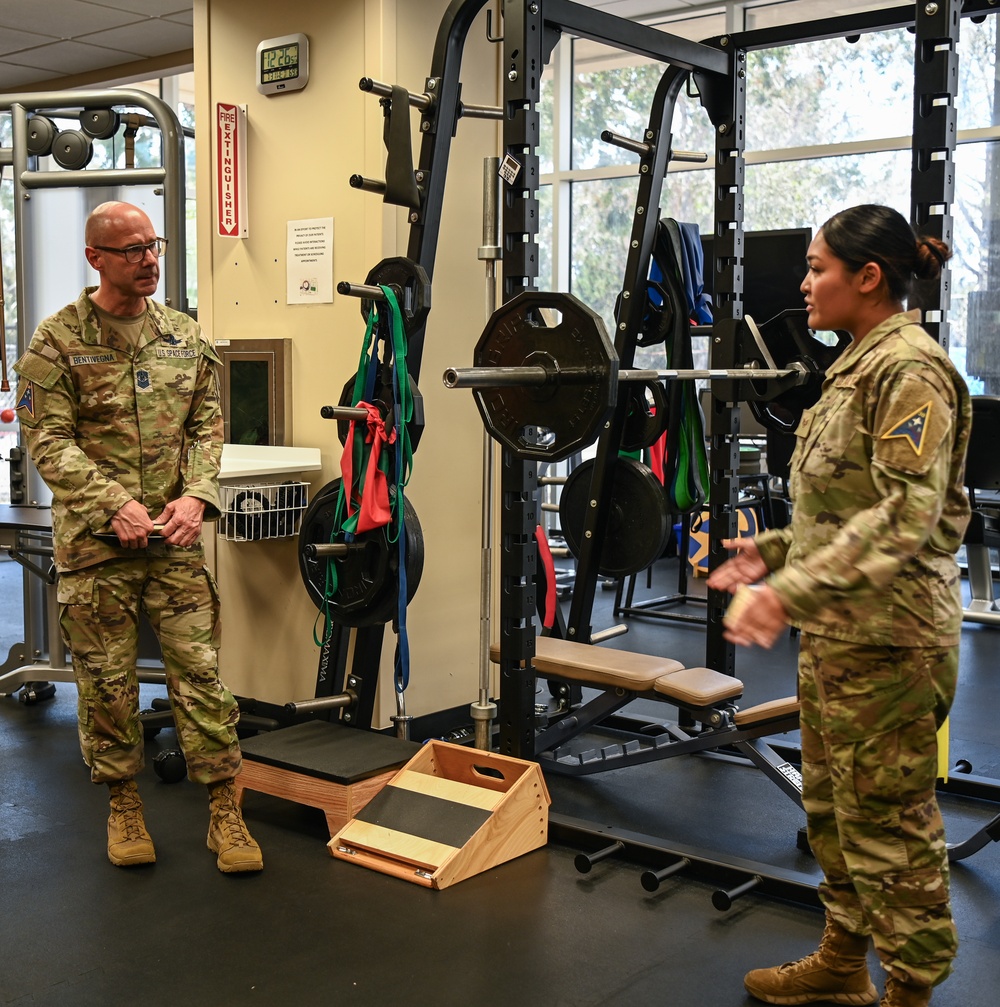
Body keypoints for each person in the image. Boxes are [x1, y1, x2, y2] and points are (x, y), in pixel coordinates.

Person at [707, 205, 970, 1007]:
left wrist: (785, 592)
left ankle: (912, 991)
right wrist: (777, 550)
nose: (805, 282)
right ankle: (843, 962)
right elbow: (843, 505)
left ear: (869, 278)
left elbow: (903, 516)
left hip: (893, 642)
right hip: (841, 633)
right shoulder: (857, 363)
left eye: (819, 267)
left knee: (889, 824)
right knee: (833, 810)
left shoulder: (908, 371)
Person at [13, 201, 262, 873]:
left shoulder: (182, 334)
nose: (150, 259)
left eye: (154, 245)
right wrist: (111, 502)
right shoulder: (57, 341)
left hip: (176, 544)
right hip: (99, 550)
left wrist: (199, 495)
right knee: (107, 683)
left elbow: (208, 425)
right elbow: (46, 438)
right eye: (132, 249)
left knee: (203, 678)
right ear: (96, 257)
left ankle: (223, 811)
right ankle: (124, 805)